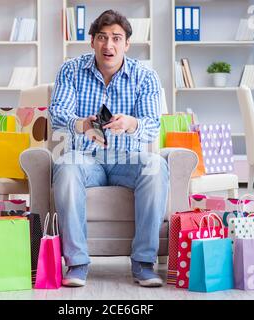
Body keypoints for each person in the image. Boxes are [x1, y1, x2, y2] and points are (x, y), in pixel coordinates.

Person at [49, 9, 169, 287]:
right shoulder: (71, 70)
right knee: (65, 166)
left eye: (116, 38)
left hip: (127, 158)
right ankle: (77, 264)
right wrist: (81, 124)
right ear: (92, 41)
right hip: (85, 158)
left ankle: (143, 263)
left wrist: (131, 124)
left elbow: (152, 125)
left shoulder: (145, 76)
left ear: (127, 43)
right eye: (102, 37)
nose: (108, 45)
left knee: (155, 165)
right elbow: (56, 115)